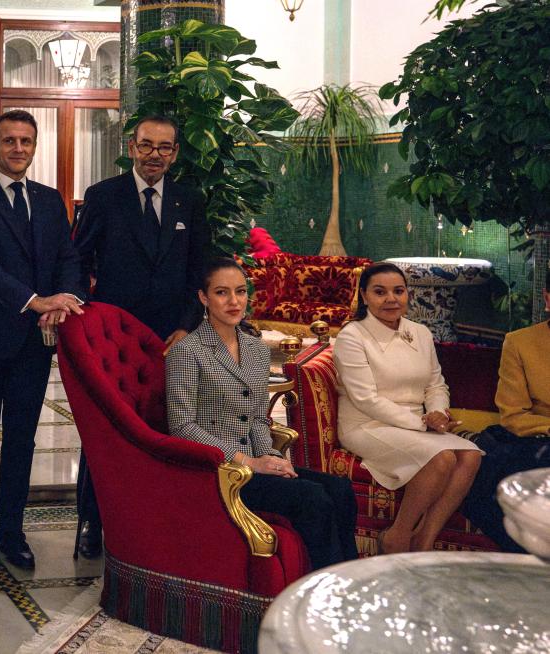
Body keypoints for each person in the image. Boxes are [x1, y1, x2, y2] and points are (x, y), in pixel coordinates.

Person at [0, 110, 86, 570]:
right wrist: (36, 301)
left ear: (34, 146)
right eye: (9, 140)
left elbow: (68, 257)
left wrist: (65, 297)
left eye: (26, 141)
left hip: (33, 345)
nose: (18, 148)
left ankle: (11, 530)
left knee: (22, 441)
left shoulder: (50, 201)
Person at [71, 115, 209, 557]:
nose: (155, 155)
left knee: (166, 425)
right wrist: (86, 318)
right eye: (147, 146)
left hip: (172, 338)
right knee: (108, 429)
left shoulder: (190, 200)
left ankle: (153, 516)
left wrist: (187, 326)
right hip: (115, 342)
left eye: (165, 148)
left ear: (175, 153)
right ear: (131, 147)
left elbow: (200, 271)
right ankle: (95, 520)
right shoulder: (103, 197)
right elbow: (78, 260)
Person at [165, 258, 357, 570]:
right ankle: (321, 596)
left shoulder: (255, 348)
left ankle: (346, 582)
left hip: (256, 462)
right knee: (313, 499)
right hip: (218, 471)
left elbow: (257, 417)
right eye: (222, 293)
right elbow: (182, 426)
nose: (234, 301)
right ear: (203, 298)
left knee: (340, 489)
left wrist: (272, 459)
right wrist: (250, 462)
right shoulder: (187, 351)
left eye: (240, 292)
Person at [333, 262, 482, 554]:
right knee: (442, 459)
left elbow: (436, 385)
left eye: (398, 291)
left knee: (470, 456)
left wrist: (439, 412)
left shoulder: (420, 333)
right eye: (380, 292)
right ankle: (397, 535)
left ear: (407, 295)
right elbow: (365, 399)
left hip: (416, 423)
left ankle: (424, 539)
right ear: (364, 296)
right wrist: (422, 424)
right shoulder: (352, 336)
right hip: (365, 424)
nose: (391, 299)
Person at [462, 266, 550, 551]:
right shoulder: (520, 342)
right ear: (548, 300)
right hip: (535, 441)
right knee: (494, 485)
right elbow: (513, 415)